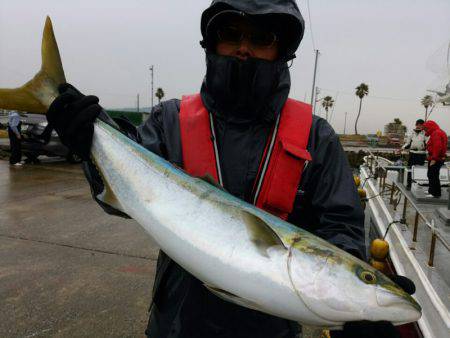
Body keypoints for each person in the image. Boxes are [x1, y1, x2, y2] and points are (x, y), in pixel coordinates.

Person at [47, 1, 415, 337]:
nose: (244, 47)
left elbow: (341, 227)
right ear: (211, 42)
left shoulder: (316, 138)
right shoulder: (169, 120)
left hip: (275, 326)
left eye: (261, 37)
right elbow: (116, 199)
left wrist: (356, 303)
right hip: (175, 325)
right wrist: (90, 144)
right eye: (230, 33)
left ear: (281, 49)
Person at [423, 120, 448, 198]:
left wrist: (434, 159)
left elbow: (438, 147)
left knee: (433, 175)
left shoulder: (436, 133)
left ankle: (435, 193)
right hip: (437, 157)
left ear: (430, 127)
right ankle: (431, 190)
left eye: (426, 128)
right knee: (431, 174)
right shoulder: (438, 132)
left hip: (436, 158)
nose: (425, 130)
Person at [401, 119, 427, 188]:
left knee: (419, 170)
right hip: (412, 154)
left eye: (421, 125)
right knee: (410, 169)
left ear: (423, 126)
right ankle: (409, 184)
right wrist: (402, 148)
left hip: (421, 154)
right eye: (418, 125)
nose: (419, 126)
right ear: (416, 125)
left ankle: (418, 184)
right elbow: (407, 143)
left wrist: (427, 150)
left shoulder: (425, 133)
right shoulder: (411, 133)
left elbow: (428, 143)